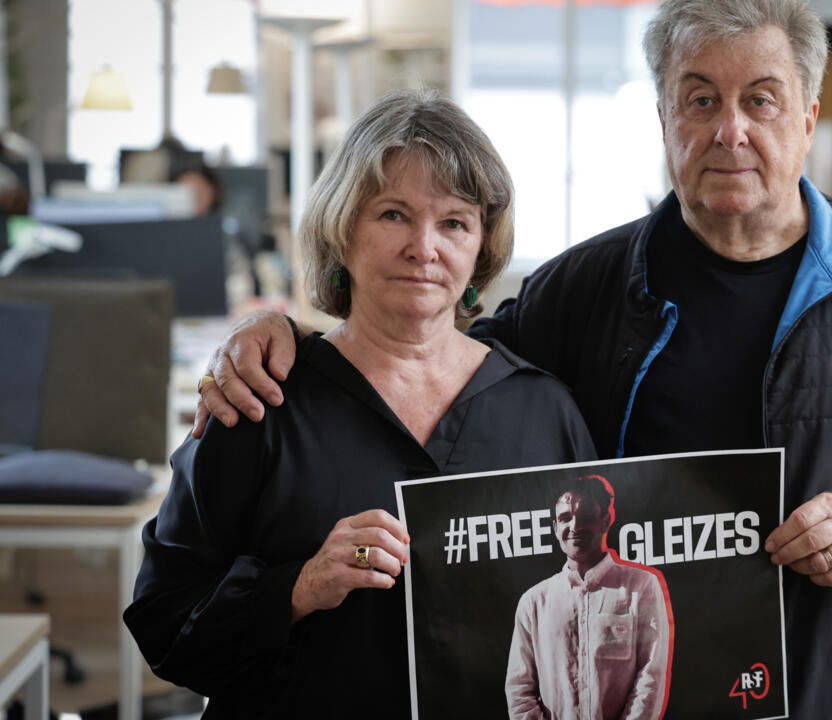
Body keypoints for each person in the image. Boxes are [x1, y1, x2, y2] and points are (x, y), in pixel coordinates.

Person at [194, 1, 832, 715]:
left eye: (760, 100)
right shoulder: (585, 284)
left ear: (807, 117)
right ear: (665, 118)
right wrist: (288, 335)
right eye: (700, 99)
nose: (730, 130)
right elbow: (427, 363)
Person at [124, 89, 596, 717]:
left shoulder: (544, 413)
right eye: (394, 214)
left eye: (454, 222)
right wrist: (298, 588)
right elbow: (163, 622)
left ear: (482, 248)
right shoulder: (261, 401)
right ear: (342, 230)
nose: (423, 247)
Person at [506, 475, 671, 720]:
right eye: (565, 518)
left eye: (585, 516)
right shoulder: (533, 602)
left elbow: (651, 673)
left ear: (605, 521)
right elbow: (519, 689)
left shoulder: (641, 586)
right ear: (555, 527)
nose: (575, 526)